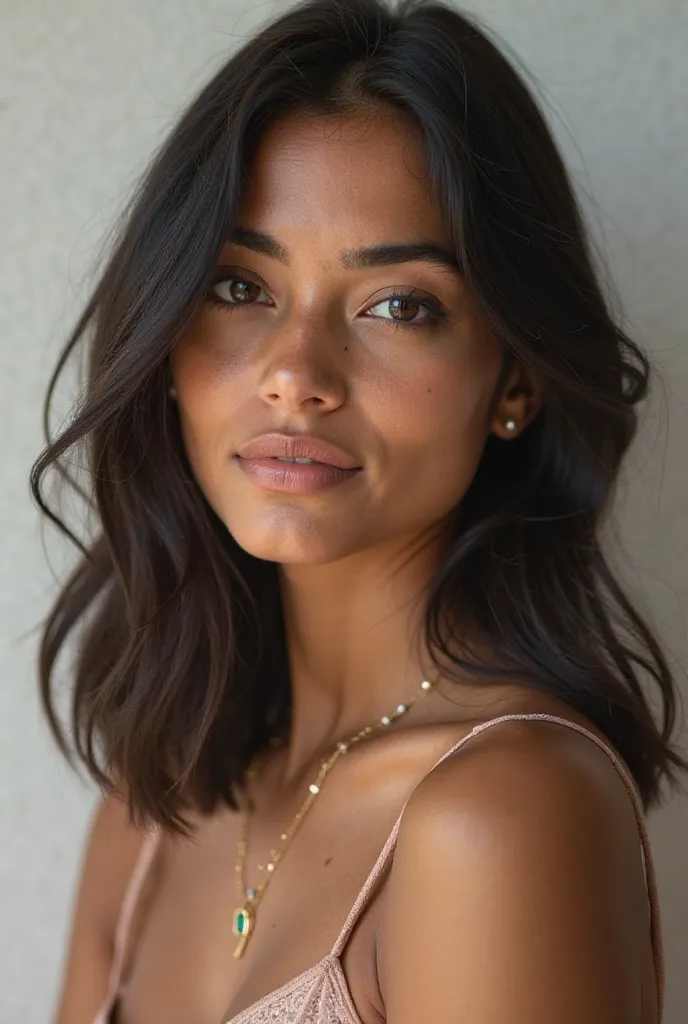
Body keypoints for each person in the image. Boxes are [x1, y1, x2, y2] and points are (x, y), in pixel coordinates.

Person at [31, 0, 686, 1021]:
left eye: (399, 305)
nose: (294, 375)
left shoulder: (502, 813)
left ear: (514, 380)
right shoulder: (152, 813)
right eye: (239, 286)